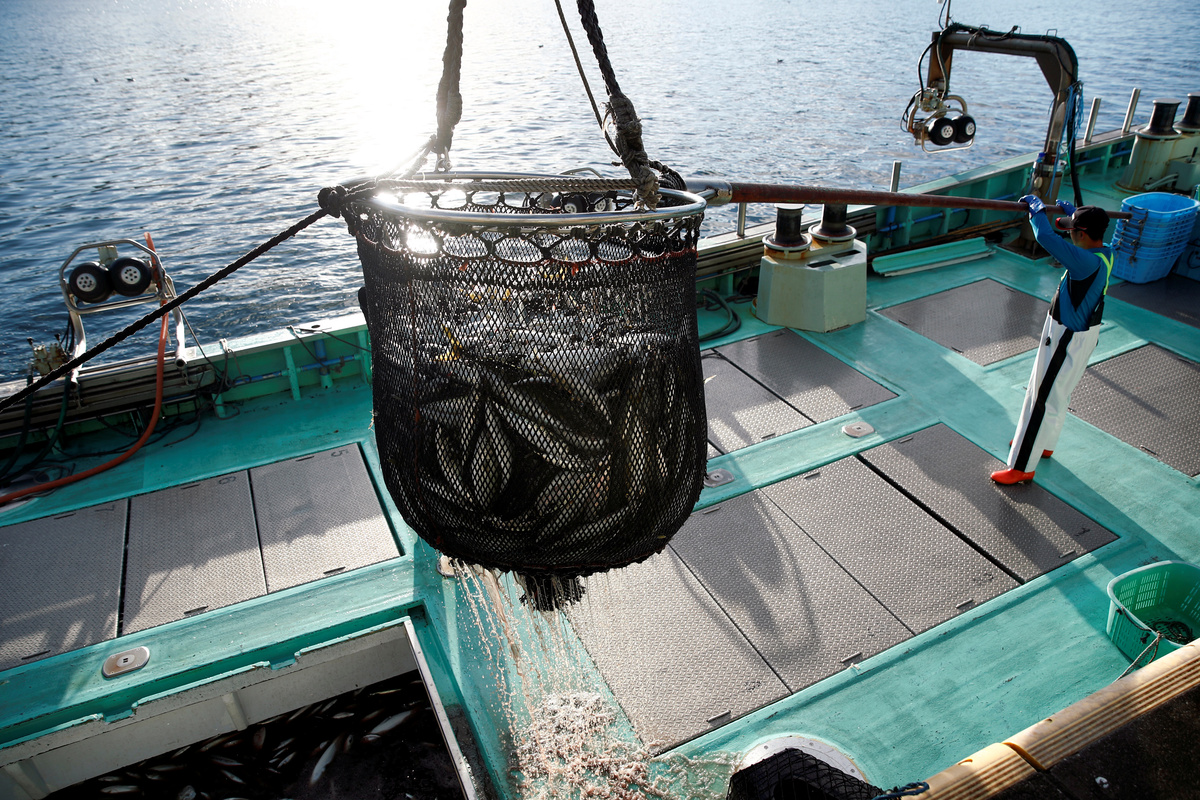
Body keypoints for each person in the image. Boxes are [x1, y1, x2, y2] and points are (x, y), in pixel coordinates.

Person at [991, 196, 1114, 485]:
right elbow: (1076, 237)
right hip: (1083, 336)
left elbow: (1045, 236)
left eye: (1073, 230)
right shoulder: (1105, 253)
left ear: (1082, 234)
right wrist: (1075, 214)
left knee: (1040, 398)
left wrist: (1036, 212)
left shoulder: (1084, 262)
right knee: (1059, 393)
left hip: (1064, 338)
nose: (1070, 234)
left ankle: (1021, 466)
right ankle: (1044, 444)